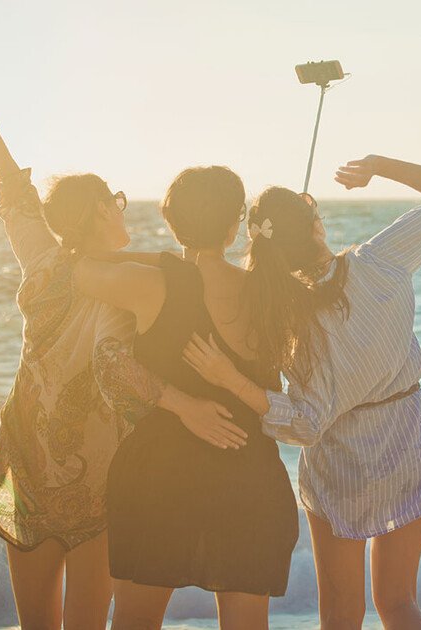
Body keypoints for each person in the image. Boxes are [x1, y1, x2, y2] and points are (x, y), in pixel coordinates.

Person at [0, 36, 243, 629]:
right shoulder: (140, 279)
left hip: (58, 462)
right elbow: (10, 180)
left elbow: (9, 181)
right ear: (102, 210)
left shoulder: (50, 261)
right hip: (69, 469)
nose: (124, 209)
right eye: (118, 200)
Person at [182, 154, 421, 629]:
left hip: (343, 460)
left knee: (340, 615)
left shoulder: (286, 316)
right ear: (316, 226)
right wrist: (376, 165)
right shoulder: (379, 260)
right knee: (399, 603)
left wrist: (230, 379)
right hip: (409, 436)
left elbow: (308, 423)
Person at [72, 166, 300, 629]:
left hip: (160, 476)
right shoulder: (270, 292)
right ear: (235, 225)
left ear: (172, 221)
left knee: (134, 623)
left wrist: (162, 259)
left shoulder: (153, 284)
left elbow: (79, 268)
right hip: (249, 477)